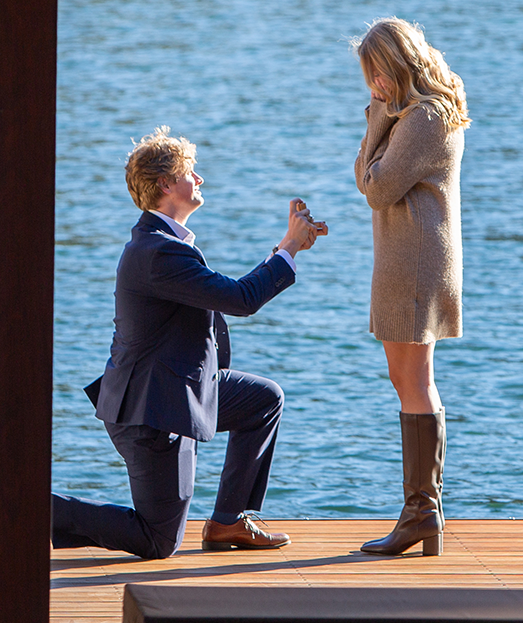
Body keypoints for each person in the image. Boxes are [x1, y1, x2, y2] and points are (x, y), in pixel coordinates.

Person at [51, 127, 327, 560]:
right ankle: (37, 511)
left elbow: (229, 294)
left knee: (263, 400)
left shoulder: (166, 245)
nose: (199, 179)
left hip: (181, 390)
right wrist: (289, 248)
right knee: (157, 541)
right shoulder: (158, 252)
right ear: (165, 184)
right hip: (151, 412)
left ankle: (228, 522)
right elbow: (240, 299)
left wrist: (285, 250)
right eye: (190, 172)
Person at [352, 17, 470, 557]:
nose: (373, 86)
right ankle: (422, 511)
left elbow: (374, 186)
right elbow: (368, 176)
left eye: (377, 74)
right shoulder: (415, 111)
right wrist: (380, 117)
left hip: (416, 259)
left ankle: (423, 512)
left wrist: (377, 118)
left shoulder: (423, 116)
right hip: (407, 255)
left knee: (414, 378)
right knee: (405, 376)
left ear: (398, 64)